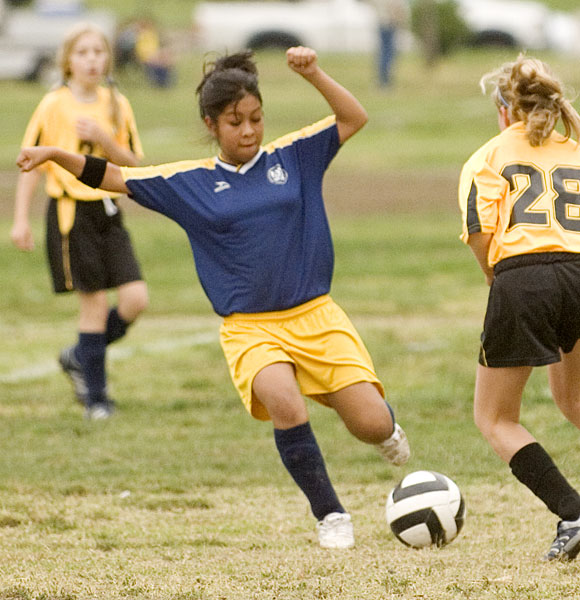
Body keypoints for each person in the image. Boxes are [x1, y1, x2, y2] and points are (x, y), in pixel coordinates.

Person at [17, 46, 410, 548]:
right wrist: (54, 154)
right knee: (284, 401)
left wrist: (314, 73)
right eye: (234, 122)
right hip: (250, 328)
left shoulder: (294, 155)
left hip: (317, 317)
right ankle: (330, 513)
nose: (248, 131)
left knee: (371, 424)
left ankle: (383, 427)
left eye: (256, 119)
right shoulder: (191, 183)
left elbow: (353, 117)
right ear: (211, 124)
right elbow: (112, 176)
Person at [458, 54, 580, 561]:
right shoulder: (576, 149)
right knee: (574, 400)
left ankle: (572, 512)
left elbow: (480, 237)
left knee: (495, 418)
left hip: (524, 277)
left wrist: (501, 281)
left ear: (505, 110)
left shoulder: (487, 156)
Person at [11, 23, 148, 419]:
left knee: (135, 300)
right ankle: (97, 400)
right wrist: (20, 219)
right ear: (67, 61)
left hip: (108, 210)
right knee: (94, 306)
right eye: (83, 52)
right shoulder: (54, 104)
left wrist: (104, 139)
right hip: (71, 215)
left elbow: (133, 164)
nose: (92, 60)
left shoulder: (116, 103)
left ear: (108, 59)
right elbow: (31, 164)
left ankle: (78, 356)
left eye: (98, 52)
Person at [368, 0, 410, 87]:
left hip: (384, 24)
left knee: (384, 53)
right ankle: (384, 80)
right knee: (387, 53)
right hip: (389, 25)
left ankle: (383, 79)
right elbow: (398, 8)